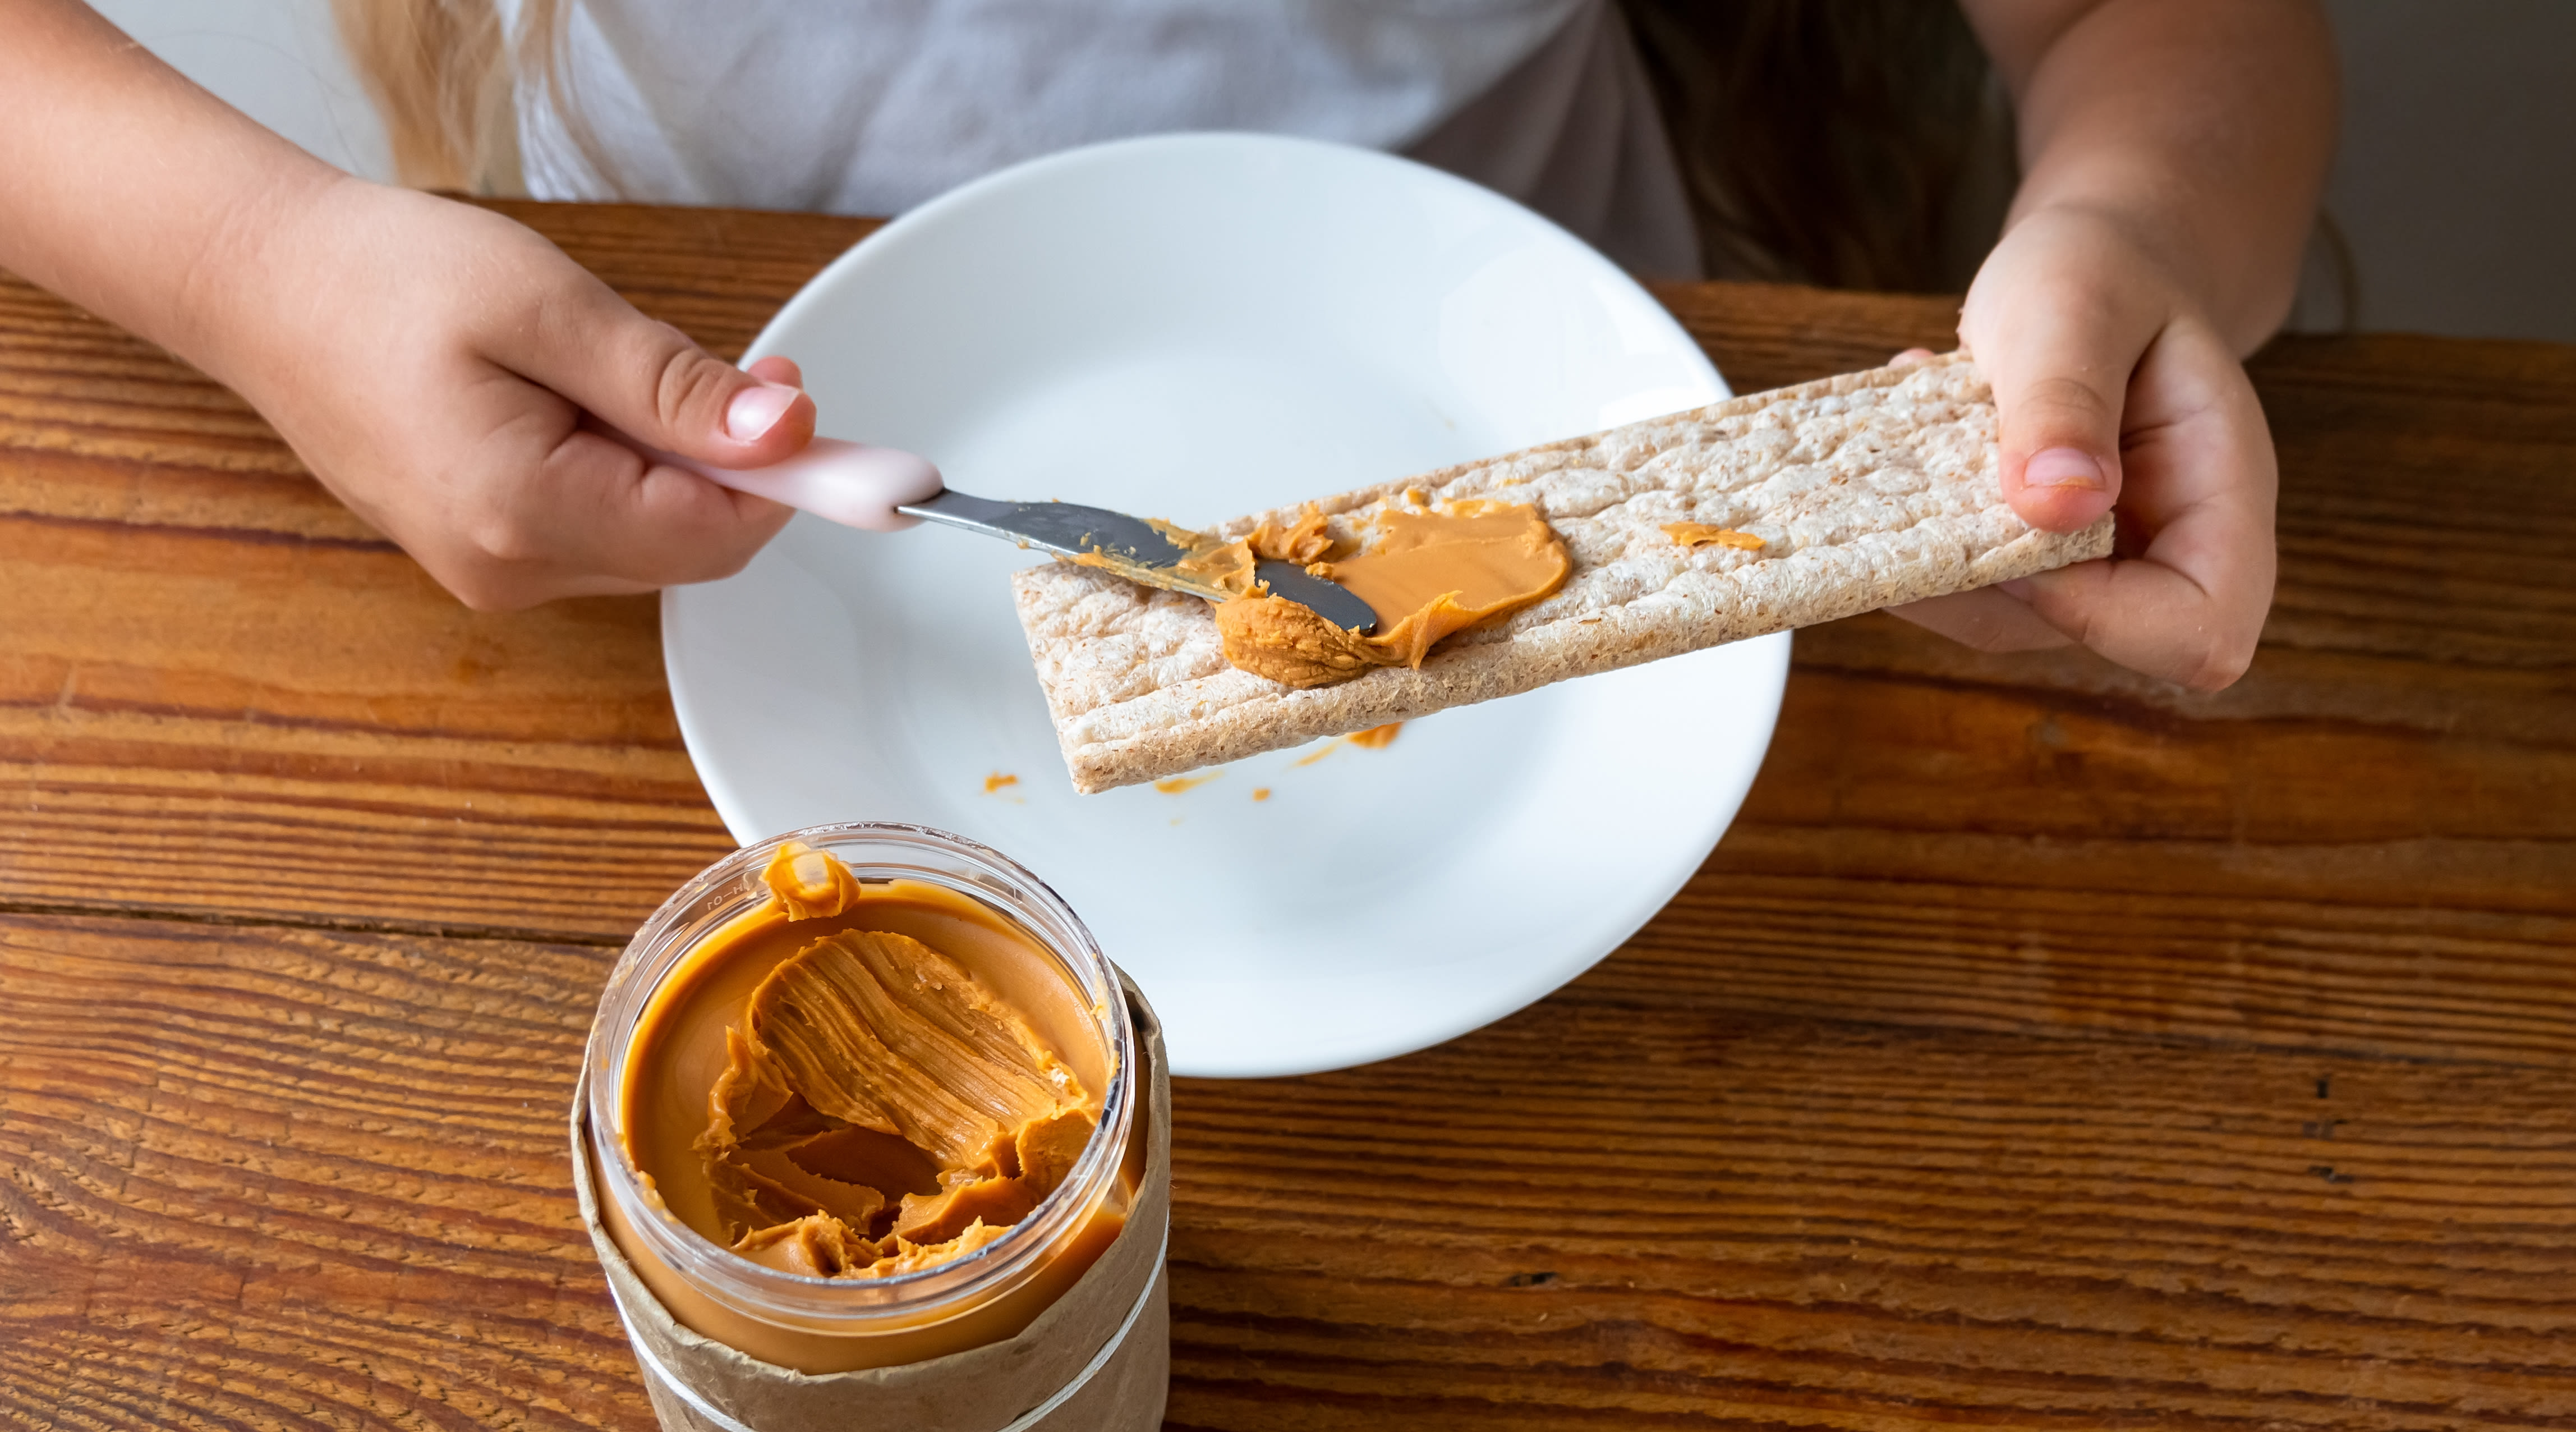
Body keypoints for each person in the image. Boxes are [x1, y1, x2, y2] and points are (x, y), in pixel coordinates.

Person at [0, 0, 2333, 690]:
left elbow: (2153, 26)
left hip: (1603, 438)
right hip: (653, 526)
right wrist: (264, 266)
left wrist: (2127, 226)